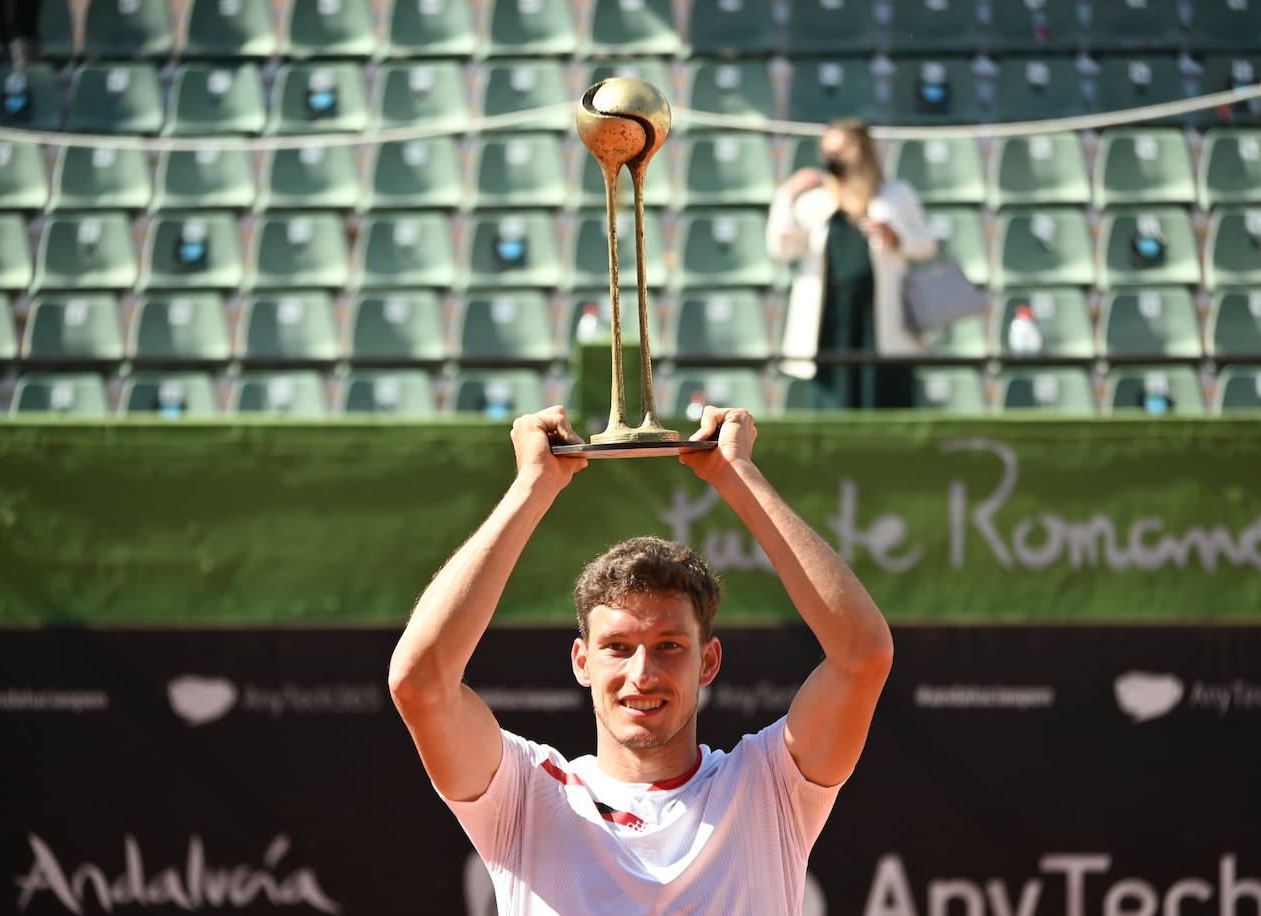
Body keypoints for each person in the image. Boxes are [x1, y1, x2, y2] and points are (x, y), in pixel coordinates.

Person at [389, 404, 894, 915]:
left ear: (709, 661)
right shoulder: (526, 795)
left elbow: (862, 655)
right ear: (581, 662)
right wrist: (532, 487)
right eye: (618, 648)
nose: (642, 674)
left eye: (669, 646)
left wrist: (736, 474)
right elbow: (420, 684)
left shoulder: (768, 787)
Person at [767, 118, 937, 409]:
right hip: (831, 319)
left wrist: (895, 237)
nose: (835, 157)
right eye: (829, 151)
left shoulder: (896, 195)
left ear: (863, 150)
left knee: (885, 399)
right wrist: (785, 195)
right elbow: (780, 247)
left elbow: (926, 246)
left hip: (881, 317)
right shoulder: (815, 201)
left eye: (842, 149)